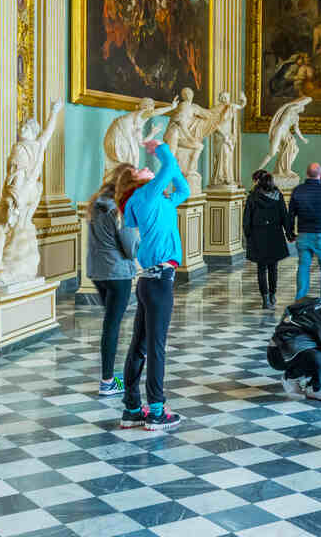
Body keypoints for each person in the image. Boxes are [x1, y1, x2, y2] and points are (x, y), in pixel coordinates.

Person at [120, 139, 190, 431]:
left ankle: (133, 409)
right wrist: (159, 148)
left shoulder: (152, 199)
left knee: (140, 345)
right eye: (140, 169)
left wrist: (166, 172)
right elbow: (171, 166)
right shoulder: (147, 195)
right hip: (159, 281)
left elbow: (184, 189)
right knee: (156, 348)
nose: (146, 167)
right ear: (136, 182)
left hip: (149, 281)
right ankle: (157, 411)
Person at [86, 164, 145, 396]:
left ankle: (108, 377)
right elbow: (130, 248)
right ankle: (108, 380)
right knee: (112, 325)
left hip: (98, 271)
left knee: (110, 324)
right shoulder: (118, 209)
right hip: (117, 272)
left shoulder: (97, 202)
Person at [288, 163, 321, 299]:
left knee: (303, 267)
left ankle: (300, 298)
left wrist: (290, 233)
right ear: (320, 175)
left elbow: (290, 214)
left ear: (307, 174)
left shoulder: (297, 190)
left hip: (304, 234)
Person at [244, 170, 293, 309]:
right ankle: (272, 295)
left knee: (261, 268)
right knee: (273, 267)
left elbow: (247, 219)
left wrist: (248, 235)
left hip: (258, 235)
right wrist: (289, 234)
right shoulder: (278, 196)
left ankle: (265, 298)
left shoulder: (252, 197)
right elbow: (284, 215)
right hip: (275, 234)